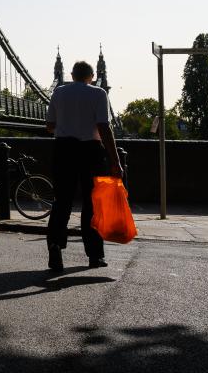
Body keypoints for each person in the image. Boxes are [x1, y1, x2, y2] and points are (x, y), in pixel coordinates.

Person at [45, 60, 122, 272]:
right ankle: (95, 255)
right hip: (91, 151)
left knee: (62, 202)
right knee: (93, 205)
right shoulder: (98, 93)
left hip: (63, 149)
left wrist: (67, 123)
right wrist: (115, 161)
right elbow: (104, 127)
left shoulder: (59, 92)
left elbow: (50, 126)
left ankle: (55, 246)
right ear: (92, 76)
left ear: (71, 74)